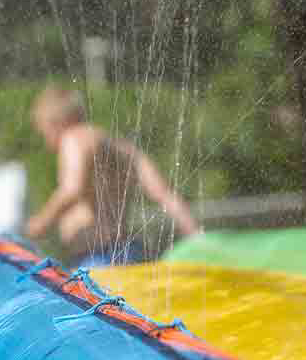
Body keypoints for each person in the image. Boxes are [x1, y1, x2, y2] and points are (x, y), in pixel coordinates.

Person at [24, 87, 200, 268]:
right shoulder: (125, 149)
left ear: (56, 121)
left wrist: (38, 224)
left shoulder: (74, 137)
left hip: (97, 259)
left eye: (43, 130)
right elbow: (165, 196)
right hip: (130, 253)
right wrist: (197, 238)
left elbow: (72, 190)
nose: (45, 140)